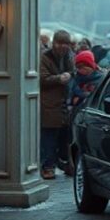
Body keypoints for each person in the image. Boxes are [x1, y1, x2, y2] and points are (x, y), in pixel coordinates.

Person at [39, 30, 73, 180]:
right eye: (60, 43)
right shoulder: (44, 57)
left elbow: (73, 71)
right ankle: (48, 166)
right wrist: (59, 78)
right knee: (49, 138)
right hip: (50, 103)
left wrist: (70, 74)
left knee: (65, 137)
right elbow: (42, 79)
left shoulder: (68, 57)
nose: (62, 46)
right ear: (53, 43)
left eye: (65, 43)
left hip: (64, 103)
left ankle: (64, 163)